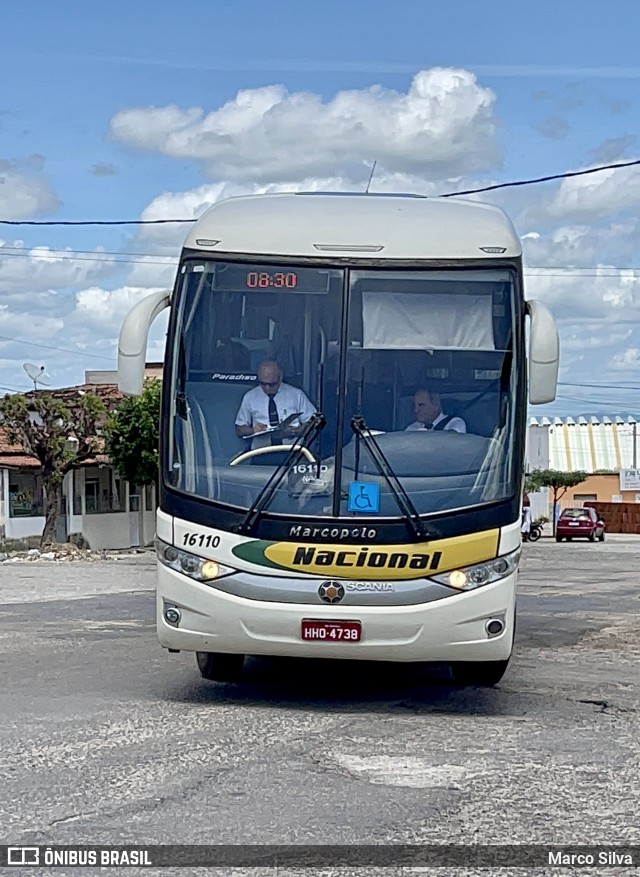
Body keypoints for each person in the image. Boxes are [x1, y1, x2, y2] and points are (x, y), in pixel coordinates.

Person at [235, 359, 316, 449]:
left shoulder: (296, 395)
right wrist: (252, 430)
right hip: (261, 452)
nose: (267, 388)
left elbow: (314, 422)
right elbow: (240, 429)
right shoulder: (250, 397)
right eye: (263, 384)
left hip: (293, 452)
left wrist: (295, 431)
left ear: (280, 377)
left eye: (272, 384)